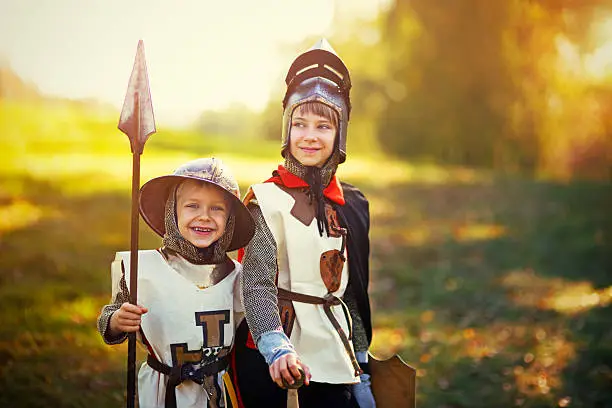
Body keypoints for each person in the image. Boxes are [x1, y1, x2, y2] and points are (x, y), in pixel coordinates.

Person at [230, 39, 376, 408]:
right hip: (274, 355)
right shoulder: (266, 201)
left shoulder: (352, 205)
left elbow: (352, 293)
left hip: (335, 350)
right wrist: (276, 348)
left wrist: (360, 358)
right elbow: (257, 285)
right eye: (300, 123)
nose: (310, 135)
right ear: (287, 130)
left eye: (323, 126)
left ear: (339, 134)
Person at [96, 157, 255, 408]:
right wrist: (117, 321)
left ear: (230, 220)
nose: (204, 217)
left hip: (220, 392)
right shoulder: (144, 269)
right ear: (173, 211)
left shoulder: (239, 276)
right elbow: (109, 319)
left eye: (217, 209)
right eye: (192, 206)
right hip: (163, 391)